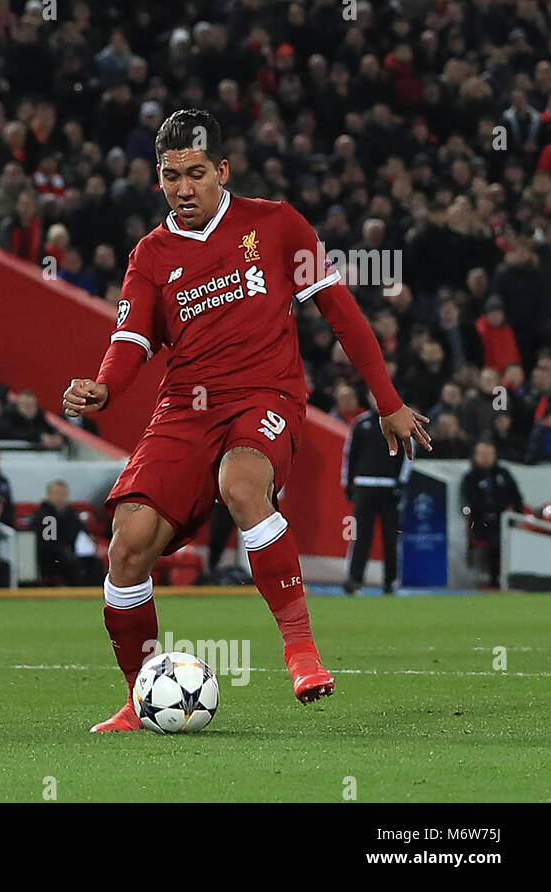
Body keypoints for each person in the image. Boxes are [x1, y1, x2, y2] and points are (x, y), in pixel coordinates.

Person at [62, 110, 430, 732]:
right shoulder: (150, 255)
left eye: (197, 174)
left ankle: (300, 649)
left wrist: (387, 401)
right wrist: (104, 385)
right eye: (171, 176)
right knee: (126, 547)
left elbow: (341, 313)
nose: (184, 188)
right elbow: (131, 337)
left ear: (223, 170)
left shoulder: (277, 225)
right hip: (184, 408)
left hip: (266, 396)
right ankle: (141, 693)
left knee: (242, 485)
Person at [341, 395, 411, 595]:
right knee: (361, 536)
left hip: (390, 487)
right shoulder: (361, 423)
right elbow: (350, 454)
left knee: (391, 536)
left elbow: (408, 452)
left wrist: (401, 483)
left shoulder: (398, 422)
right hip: (365, 485)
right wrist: (348, 485)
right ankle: (354, 580)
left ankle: (390, 581)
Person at [460, 440, 525, 587]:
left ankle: (511, 578)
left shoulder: (504, 474)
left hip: (504, 521)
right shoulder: (470, 478)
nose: (486, 458)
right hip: (481, 521)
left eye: (489, 454)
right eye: (482, 454)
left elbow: (516, 498)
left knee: (505, 536)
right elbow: (468, 501)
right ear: (475, 456)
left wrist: (518, 515)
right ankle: (494, 580)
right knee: (494, 540)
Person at [31, 480, 103, 586]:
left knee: (95, 563)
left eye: (63, 494)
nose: (60, 497)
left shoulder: (71, 514)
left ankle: (97, 592)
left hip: (71, 552)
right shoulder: (46, 516)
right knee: (72, 563)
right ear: (48, 495)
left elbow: (83, 532)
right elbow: (48, 543)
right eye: (56, 494)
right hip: (51, 557)